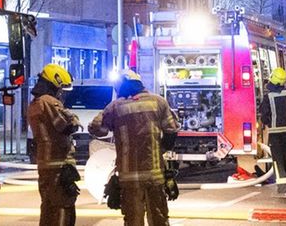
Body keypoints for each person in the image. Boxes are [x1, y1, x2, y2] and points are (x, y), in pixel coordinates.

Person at [89, 69, 180, 226]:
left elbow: (96, 128)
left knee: (132, 221)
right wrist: (160, 151)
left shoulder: (115, 107)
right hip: (154, 175)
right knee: (159, 219)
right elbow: (172, 131)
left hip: (128, 177)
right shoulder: (158, 102)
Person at [29, 63, 81, 226]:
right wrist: (74, 118)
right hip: (59, 165)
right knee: (62, 208)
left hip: (45, 165)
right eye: (61, 90)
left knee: (48, 209)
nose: (61, 95)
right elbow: (67, 125)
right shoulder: (49, 102)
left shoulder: (34, 104)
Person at [258, 66, 286, 199]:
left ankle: (283, 187)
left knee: (278, 160)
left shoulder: (268, 97)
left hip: (275, 133)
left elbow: (264, 116)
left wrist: (269, 123)